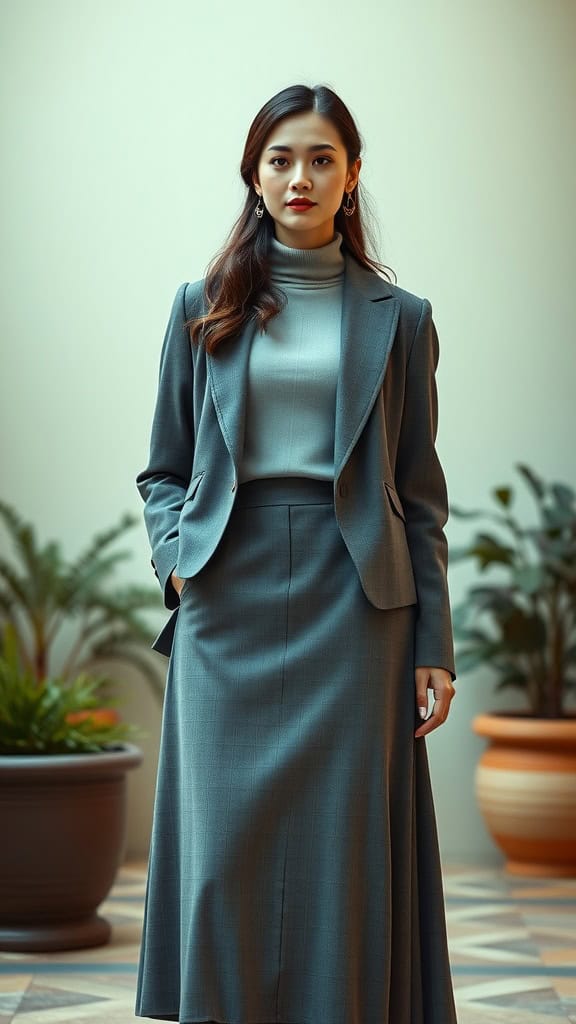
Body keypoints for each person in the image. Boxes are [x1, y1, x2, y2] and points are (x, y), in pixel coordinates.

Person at [135, 83, 457, 1024]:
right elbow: (164, 469)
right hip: (224, 595)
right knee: (221, 847)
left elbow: (421, 497)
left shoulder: (402, 318)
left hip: (357, 601)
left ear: (352, 176)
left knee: (341, 852)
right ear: (256, 174)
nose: (300, 176)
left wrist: (432, 641)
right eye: (281, 158)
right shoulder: (202, 306)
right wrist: (176, 560)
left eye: (321, 158)